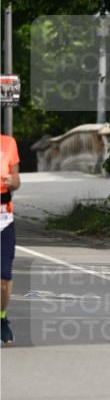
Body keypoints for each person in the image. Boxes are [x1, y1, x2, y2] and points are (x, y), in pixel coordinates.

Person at [1, 129, 20, 345]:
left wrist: (10, 181)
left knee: (4, 277)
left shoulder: (8, 143)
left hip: (4, 218)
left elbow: (17, 181)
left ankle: (1, 318)